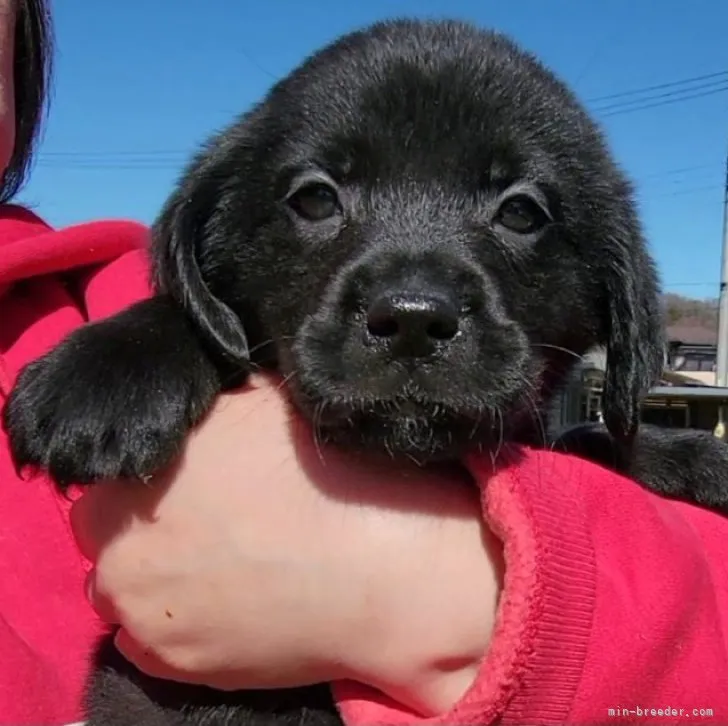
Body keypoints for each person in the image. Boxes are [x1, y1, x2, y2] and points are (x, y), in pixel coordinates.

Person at [2, 2, 728, 726]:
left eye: (519, 213)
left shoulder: (92, 288)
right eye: (317, 200)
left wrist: (597, 491)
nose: (412, 302)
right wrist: (168, 338)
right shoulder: (138, 320)